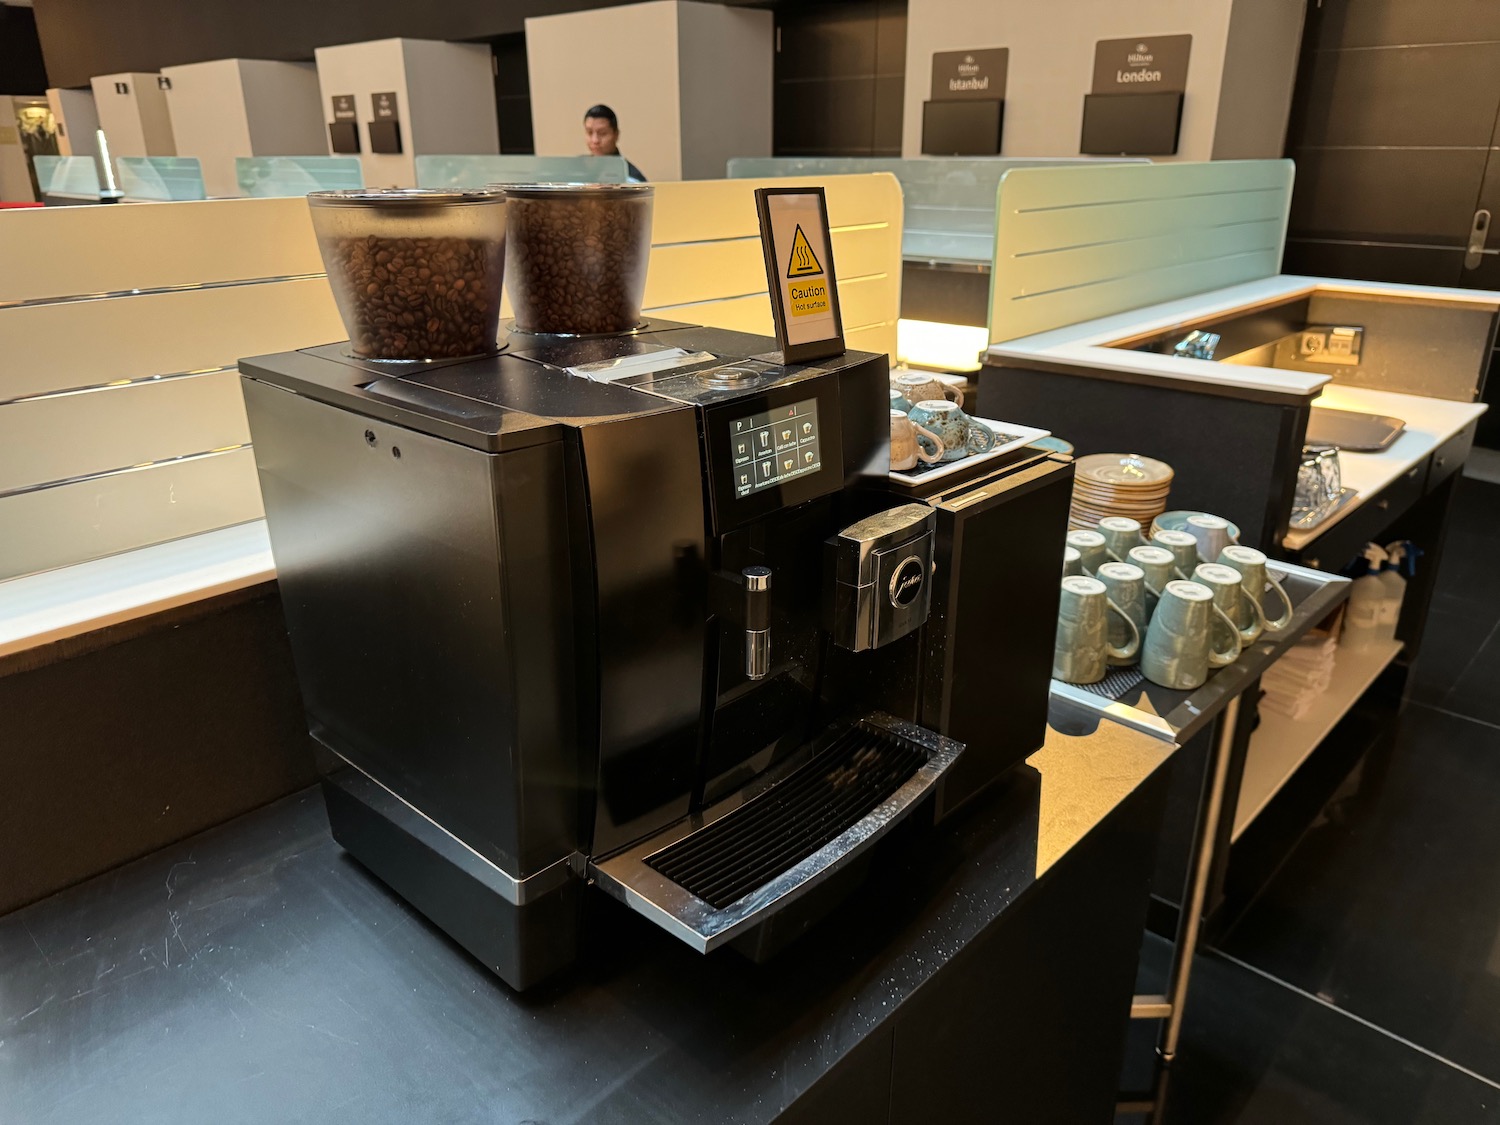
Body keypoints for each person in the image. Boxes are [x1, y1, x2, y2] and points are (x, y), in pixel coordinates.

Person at [583, 105, 646, 182]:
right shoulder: (577, 170)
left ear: (616, 135)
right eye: (589, 132)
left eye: (602, 133)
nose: (595, 140)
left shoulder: (631, 178)